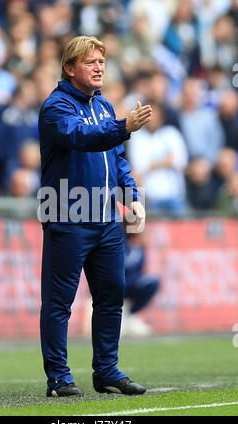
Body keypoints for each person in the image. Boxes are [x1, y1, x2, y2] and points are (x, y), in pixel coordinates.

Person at [38, 36, 152, 397]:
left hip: (105, 219)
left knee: (111, 294)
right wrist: (124, 127)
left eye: (102, 60)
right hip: (67, 213)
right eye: (91, 62)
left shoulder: (103, 106)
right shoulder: (56, 107)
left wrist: (131, 196)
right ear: (70, 68)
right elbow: (82, 136)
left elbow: (117, 160)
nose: (100, 66)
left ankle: (106, 371)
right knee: (59, 301)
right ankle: (58, 378)